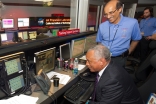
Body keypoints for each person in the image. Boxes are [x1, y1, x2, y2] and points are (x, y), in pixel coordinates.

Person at [96, 0, 141, 67]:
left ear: (120, 9)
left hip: (120, 59)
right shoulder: (102, 26)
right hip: (103, 58)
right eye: (106, 14)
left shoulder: (133, 23)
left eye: (111, 12)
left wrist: (129, 52)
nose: (108, 16)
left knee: (117, 77)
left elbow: (136, 39)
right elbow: (99, 41)